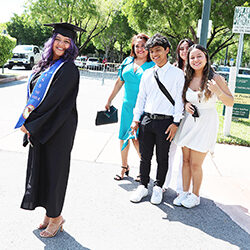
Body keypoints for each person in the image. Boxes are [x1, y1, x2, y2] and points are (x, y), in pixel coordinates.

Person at [15, 22, 84, 237]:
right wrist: (30, 122)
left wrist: (31, 124)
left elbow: (55, 102)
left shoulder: (68, 69)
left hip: (58, 129)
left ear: (71, 45)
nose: (62, 45)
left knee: (55, 172)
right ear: (51, 41)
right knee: (41, 170)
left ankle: (57, 218)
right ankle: (48, 214)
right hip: (42, 126)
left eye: (67, 41)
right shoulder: (44, 66)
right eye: (59, 40)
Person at [173, 44, 234, 208]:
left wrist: (217, 91)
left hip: (205, 123)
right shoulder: (187, 77)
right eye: (192, 57)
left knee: (195, 164)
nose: (195, 60)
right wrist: (185, 104)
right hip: (188, 122)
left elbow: (230, 102)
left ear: (206, 57)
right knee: (185, 160)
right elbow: (183, 98)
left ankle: (195, 195)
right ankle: (184, 192)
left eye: (199, 56)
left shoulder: (216, 78)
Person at [130, 33, 185, 205]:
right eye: (152, 51)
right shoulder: (147, 74)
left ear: (167, 50)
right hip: (147, 120)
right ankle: (143, 185)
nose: (155, 55)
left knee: (163, 157)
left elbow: (179, 100)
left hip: (166, 122)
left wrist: (176, 122)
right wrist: (135, 119)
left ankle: (158, 187)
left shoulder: (177, 74)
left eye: (158, 50)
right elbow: (141, 98)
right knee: (144, 156)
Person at [105, 33, 154, 181]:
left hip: (144, 109)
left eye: (143, 46)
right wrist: (109, 100)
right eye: (137, 46)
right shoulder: (127, 61)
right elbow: (119, 82)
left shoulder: (153, 65)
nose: (140, 49)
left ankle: (143, 169)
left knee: (138, 139)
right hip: (127, 107)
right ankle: (124, 166)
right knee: (123, 137)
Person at [163, 38, 194, 193]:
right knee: (169, 151)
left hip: (189, 116)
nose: (184, 51)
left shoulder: (196, 69)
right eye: (181, 49)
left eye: (187, 48)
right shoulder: (174, 68)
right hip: (173, 115)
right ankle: (163, 183)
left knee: (186, 154)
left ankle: (182, 188)